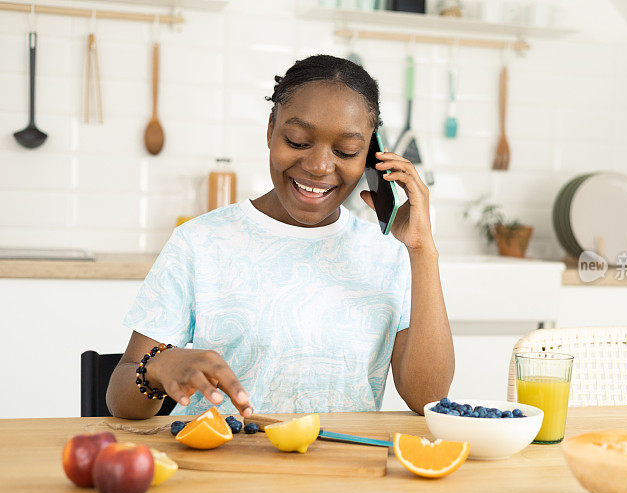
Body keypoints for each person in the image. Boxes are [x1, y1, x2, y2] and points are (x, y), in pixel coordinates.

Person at [106, 55, 454, 419]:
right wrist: (159, 369)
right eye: (298, 141)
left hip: (343, 470)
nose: (320, 166)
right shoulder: (200, 242)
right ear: (271, 128)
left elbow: (428, 396)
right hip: (225, 467)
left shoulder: (388, 252)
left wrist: (422, 250)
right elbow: (121, 398)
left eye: (346, 151)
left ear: (370, 155)